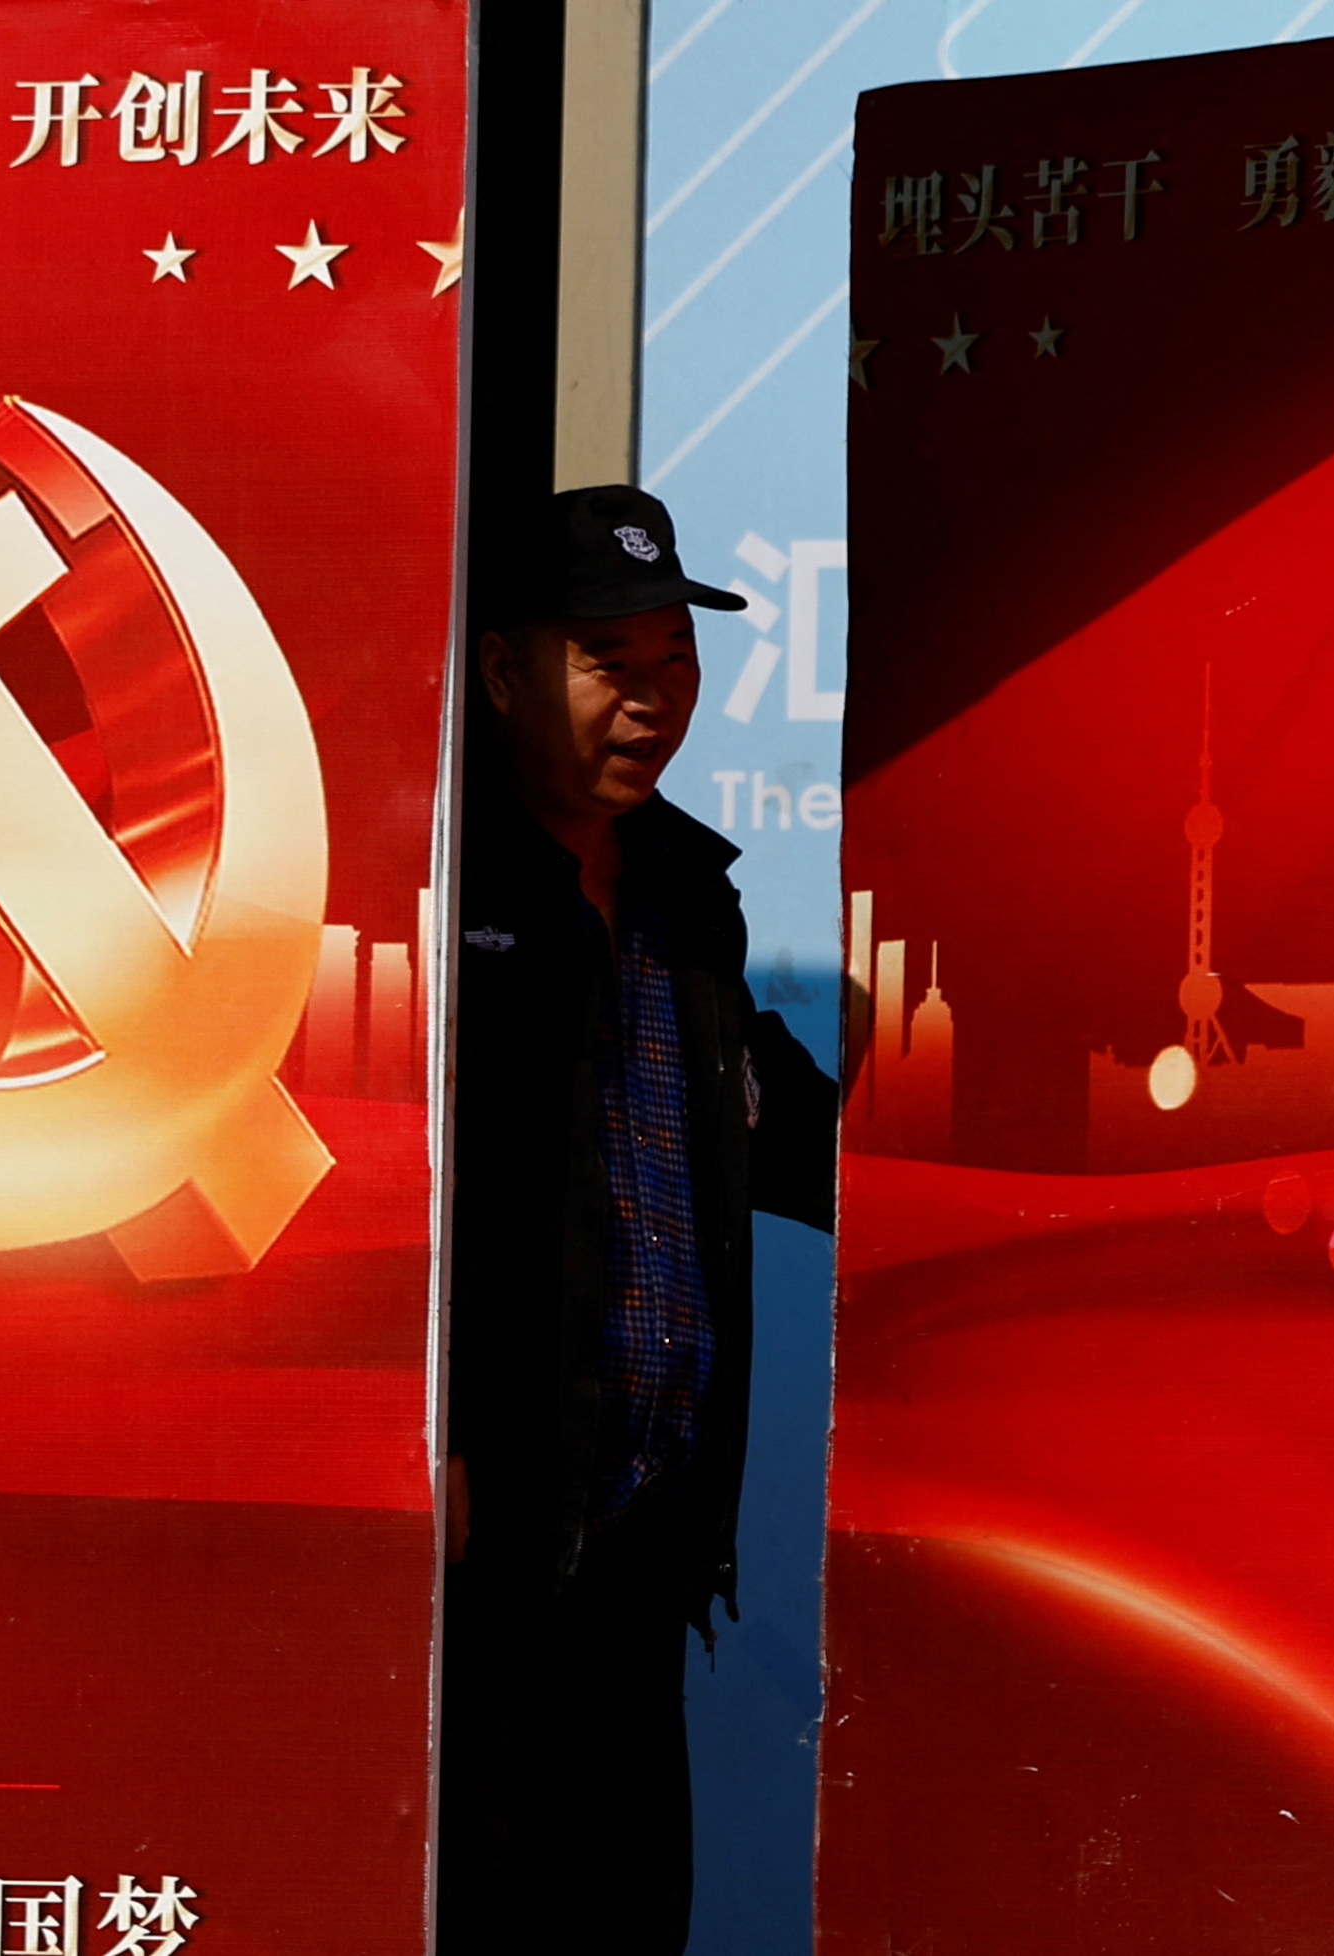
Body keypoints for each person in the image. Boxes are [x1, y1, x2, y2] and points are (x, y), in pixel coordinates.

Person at [438, 486, 838, 1954]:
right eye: (608, 663)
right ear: (500, 673)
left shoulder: (684, 885)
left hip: (645, 1527)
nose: (651, 704)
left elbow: (767, 1123)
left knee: (624, 1913)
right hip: (479, 1534)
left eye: (674, 665)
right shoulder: (434, 884)